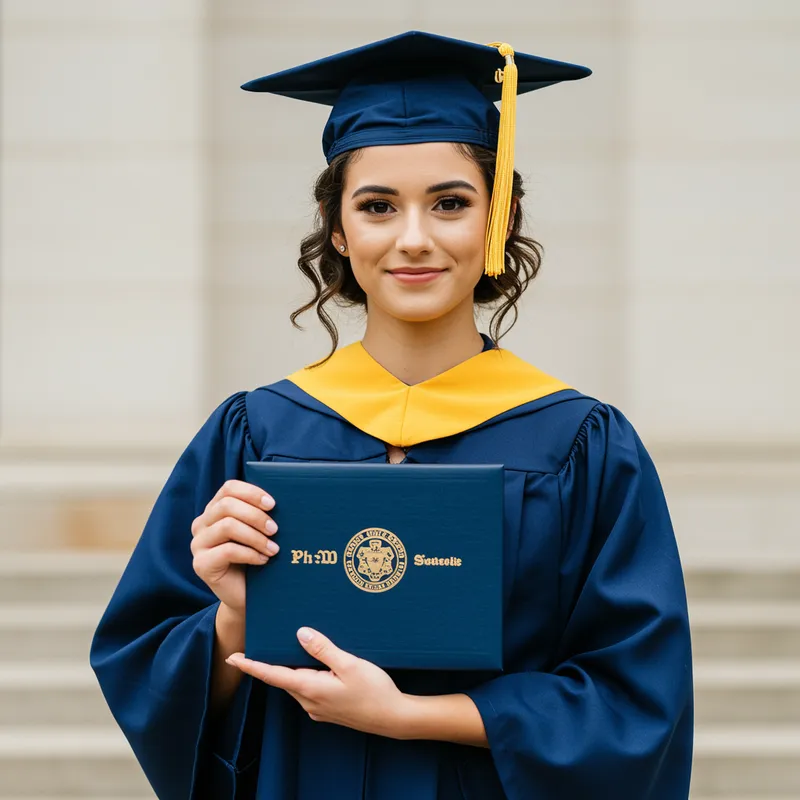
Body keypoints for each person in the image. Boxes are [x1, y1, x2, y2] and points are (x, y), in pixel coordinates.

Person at [90, 31, 693, 800]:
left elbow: (638, 700)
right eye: (378, 206)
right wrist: (234, 619)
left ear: (497, 220)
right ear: (339, 230)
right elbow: (144, 671)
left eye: (450, 203)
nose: (414, 238)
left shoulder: (581, 445)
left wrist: (413, 716)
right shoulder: (256, 433)